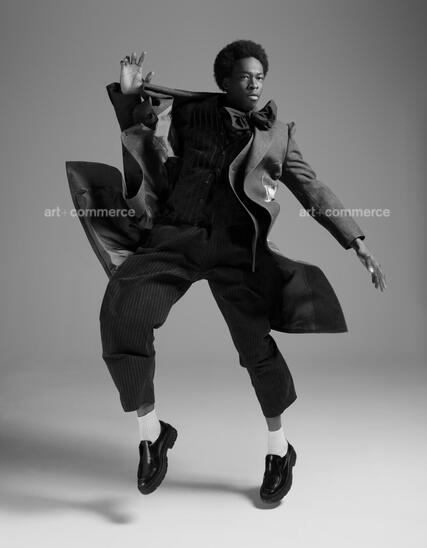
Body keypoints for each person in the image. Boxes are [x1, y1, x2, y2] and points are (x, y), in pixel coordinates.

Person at [73, 40, 386, 504]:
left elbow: (311, 187)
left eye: (260, 77)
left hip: (236, 250)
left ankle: (279, 449)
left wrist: (356, 240)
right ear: (225, 80)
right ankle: (151, 433)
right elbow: (144, 133)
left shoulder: (277, 134)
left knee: (255, 347)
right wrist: (130, 93)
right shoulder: (192, 112)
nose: (254, 84)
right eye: (244, 76)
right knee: (124, 313)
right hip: (177, 236)